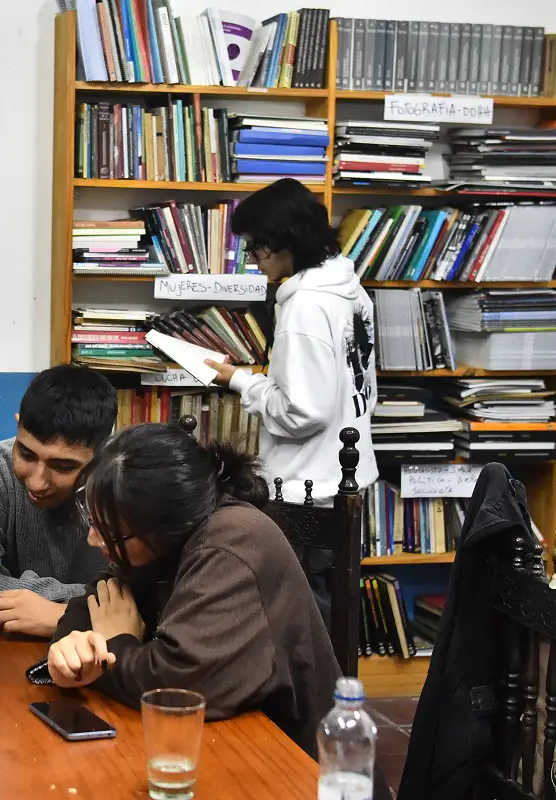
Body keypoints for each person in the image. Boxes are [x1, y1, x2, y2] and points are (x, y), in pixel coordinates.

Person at [46, 423, 341, 757]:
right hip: (224, 742)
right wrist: (69, 654)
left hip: (295, 763)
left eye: (109, 532)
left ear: (162, 527)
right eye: (94, 523)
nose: (92, 539)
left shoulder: (231, 543)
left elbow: (177, 689)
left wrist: (114, 645)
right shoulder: (161, 539)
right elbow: (92, 605)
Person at [207, 177, 378, 505]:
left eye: (255, 246)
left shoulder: (305, 306)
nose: (253, 258)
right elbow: (363, 391)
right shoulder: (353, 291)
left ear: (284, 240)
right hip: (349, 474)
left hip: (304, 487)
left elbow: (302, 414)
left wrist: (241, 382)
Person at [0, 365, 116, 637]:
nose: (37, 482)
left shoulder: (127, 486)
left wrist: (62, 616)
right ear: (18, 425)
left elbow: (149, 603)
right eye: (27, 455)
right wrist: (86, 606)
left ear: (104, 453)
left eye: (63, 466)